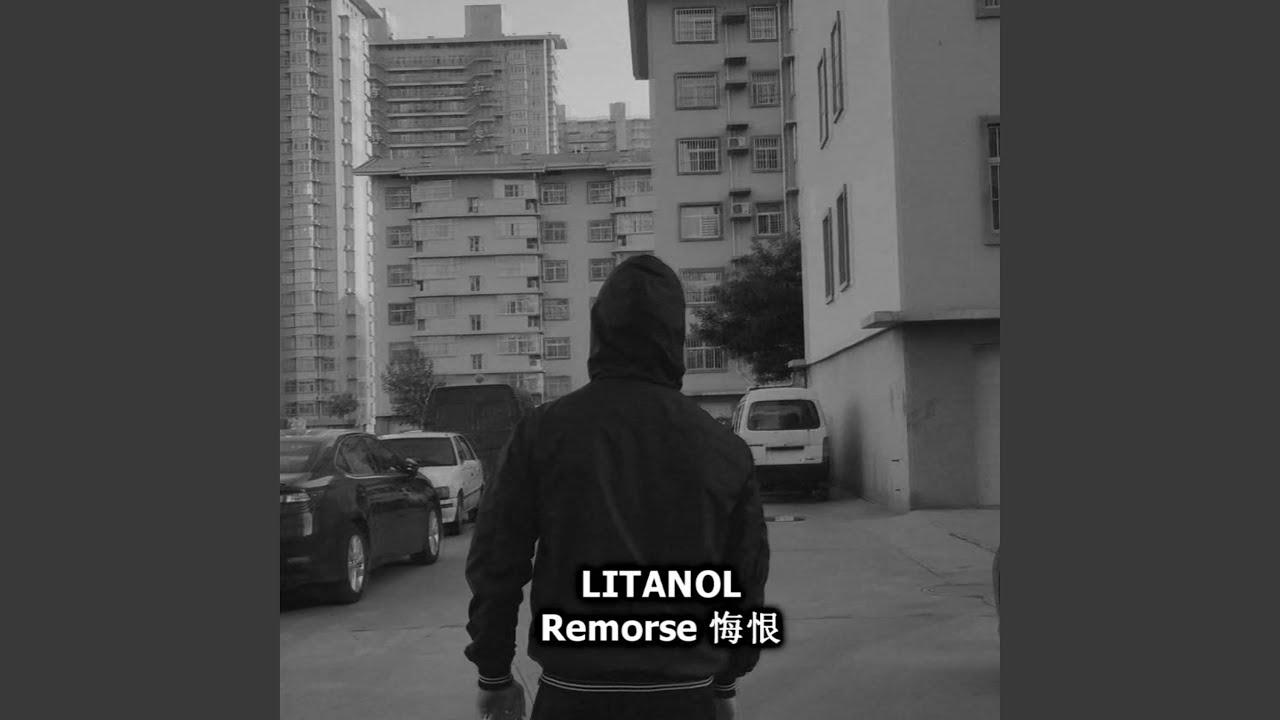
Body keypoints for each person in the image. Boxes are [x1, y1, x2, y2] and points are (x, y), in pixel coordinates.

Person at [464, 255, 771, 720]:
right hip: (685, 693)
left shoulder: (543, 433)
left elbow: (496, 558)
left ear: (600, 330)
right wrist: (726, 679)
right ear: (675, 337)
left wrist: (494, 674)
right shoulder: (723, 446)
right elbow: (746, 575)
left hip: (572, 693)